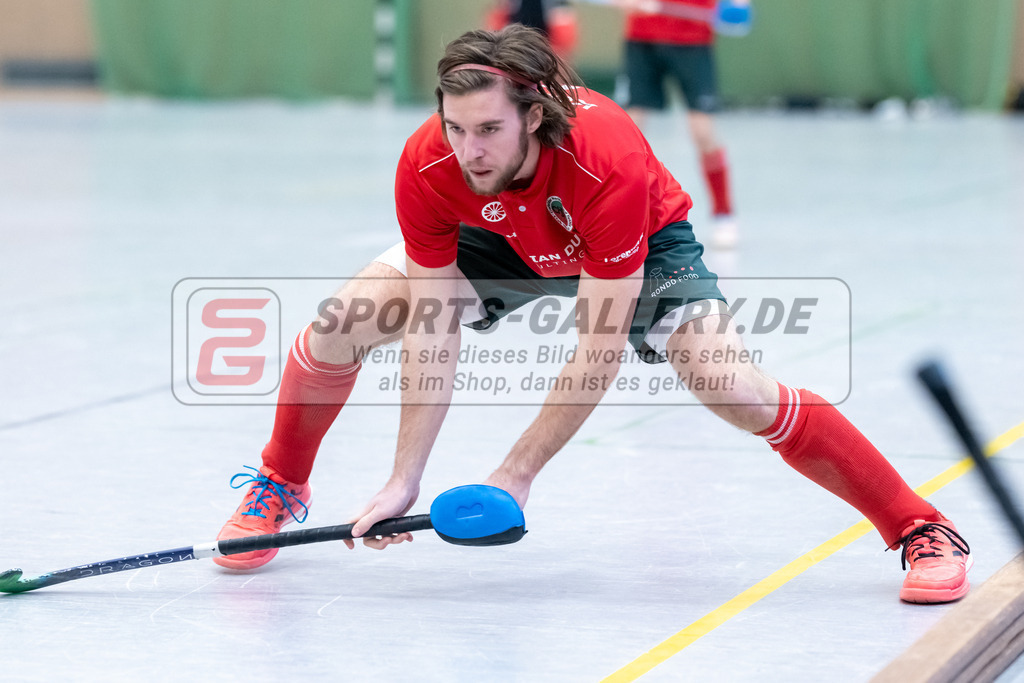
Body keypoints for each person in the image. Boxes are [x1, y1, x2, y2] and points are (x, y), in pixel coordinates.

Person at [214, 25, 971, 605]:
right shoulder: (432, 163)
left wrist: (516, 475)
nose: (467, 148)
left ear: (535, 116)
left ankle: (917, 524)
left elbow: (597, 346)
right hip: (501, 234)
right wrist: (402, 478)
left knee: (731, 385)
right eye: (454, 125)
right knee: (348, 317)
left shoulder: (603, 158)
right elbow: (432, 324)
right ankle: (282, 480)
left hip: (636, 239)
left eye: (488, 130)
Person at [617, 0, 740, 249]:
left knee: (703, 133)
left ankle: (723, 213)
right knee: (628, 132)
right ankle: (620, 217)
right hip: (643, 39)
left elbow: (737, 13)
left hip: (692, 41)